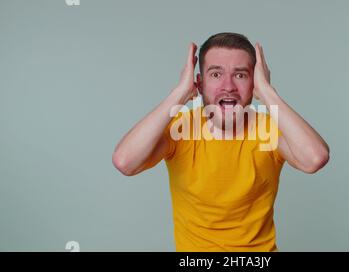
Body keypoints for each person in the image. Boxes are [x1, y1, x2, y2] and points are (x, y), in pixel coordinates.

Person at [112, 32, 330, 252]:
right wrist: (179, 93)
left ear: (253, 83)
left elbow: (314, 158)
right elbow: (125, 162)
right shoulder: (181, 128)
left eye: (241, 75)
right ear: (199, 83)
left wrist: (267, 93)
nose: (228, 86)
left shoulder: (268, 129)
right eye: (216, 74)